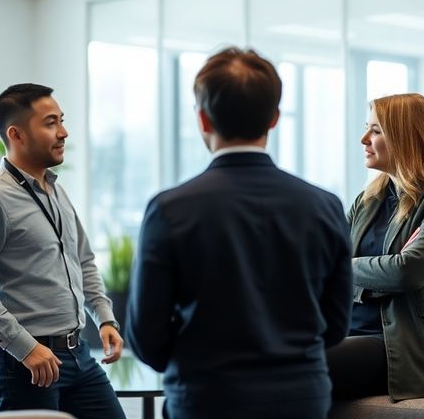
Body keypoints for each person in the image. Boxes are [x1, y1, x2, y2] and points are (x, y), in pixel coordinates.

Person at [126, 47, 353, 419]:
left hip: (207, 398)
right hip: (303, 398)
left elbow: (146, 336)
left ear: (203, 119)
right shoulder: (324, 206)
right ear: (274, 118)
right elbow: (336, 325)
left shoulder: (170, 209)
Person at [0, 84, 126, 418]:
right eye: (50, 123)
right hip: (22, 363)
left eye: (61, 120)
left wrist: (104, 318)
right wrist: (26, 348)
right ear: (16, 134)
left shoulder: (55, 191)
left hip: (78, 354)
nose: (63, 132)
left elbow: (83, 261)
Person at [326, 92, 424, 404]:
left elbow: (407, 273)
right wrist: (379, 269)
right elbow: (324, 266)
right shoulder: (368, 200)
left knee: (300, 365)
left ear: (406, 137)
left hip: (409, 348)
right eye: (367, 129)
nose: (364, 139)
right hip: (348, 332)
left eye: (376, 131)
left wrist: (349, 267)